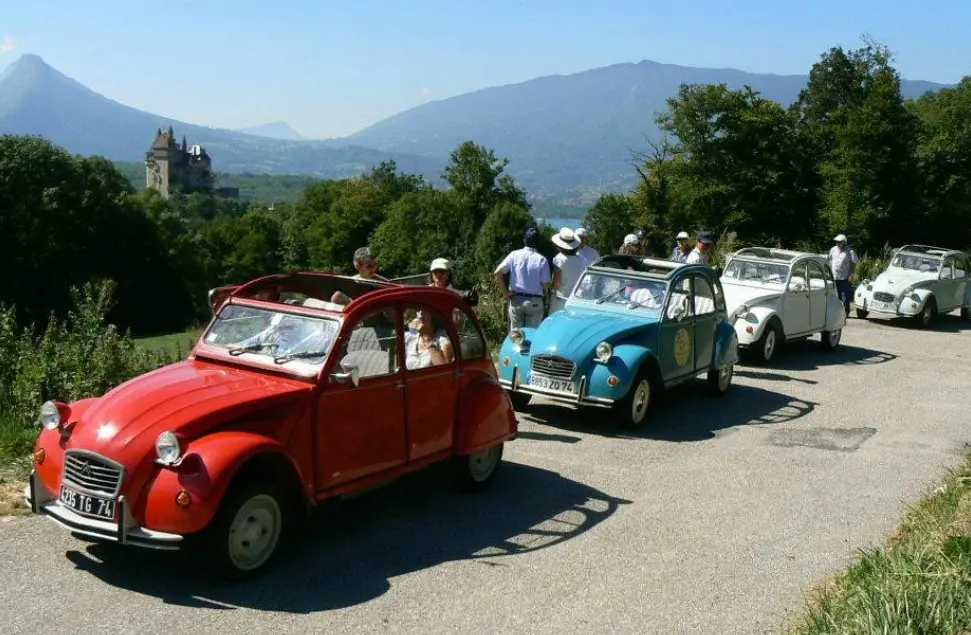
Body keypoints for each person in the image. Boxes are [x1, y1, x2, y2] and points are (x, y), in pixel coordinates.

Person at [494, 227, 552, 330]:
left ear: (524, 240)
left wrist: (505, 293)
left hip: (516, 299)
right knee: (533, 335)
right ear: (538, 242)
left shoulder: (514, 255)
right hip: (535, 300)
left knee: (516, 336)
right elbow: (545, 284)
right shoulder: (542, 260)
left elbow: (497, 272)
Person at [550, 227, 588, 313]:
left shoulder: (559, 259)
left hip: (561, 299)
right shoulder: (582, 260)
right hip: (576, 299)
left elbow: (557, 283)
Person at [828, 234, 859, 317]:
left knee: (845, 295)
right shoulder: (833, 250)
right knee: (836, 295)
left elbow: (854, 263)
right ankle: (837, 312)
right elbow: (829, 261)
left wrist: (851, 274)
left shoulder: (850, 251)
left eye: (839, 242)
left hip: (845, 276)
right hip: (834, 276)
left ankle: (845, 312)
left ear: (844, 242)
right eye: (836, 241)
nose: (837, 243)